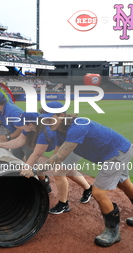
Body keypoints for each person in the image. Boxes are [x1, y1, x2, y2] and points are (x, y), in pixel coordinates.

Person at [21, 101, 133, 247]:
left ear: (61, 115)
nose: (46, 122)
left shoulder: (77, 126)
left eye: (49, 118)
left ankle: (112, 231)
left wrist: (34, 170)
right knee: (124, 185)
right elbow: (56, 157)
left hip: (116, 153)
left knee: (98, 193)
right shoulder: (58, 131)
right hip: (118, 150)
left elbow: (60, 156)